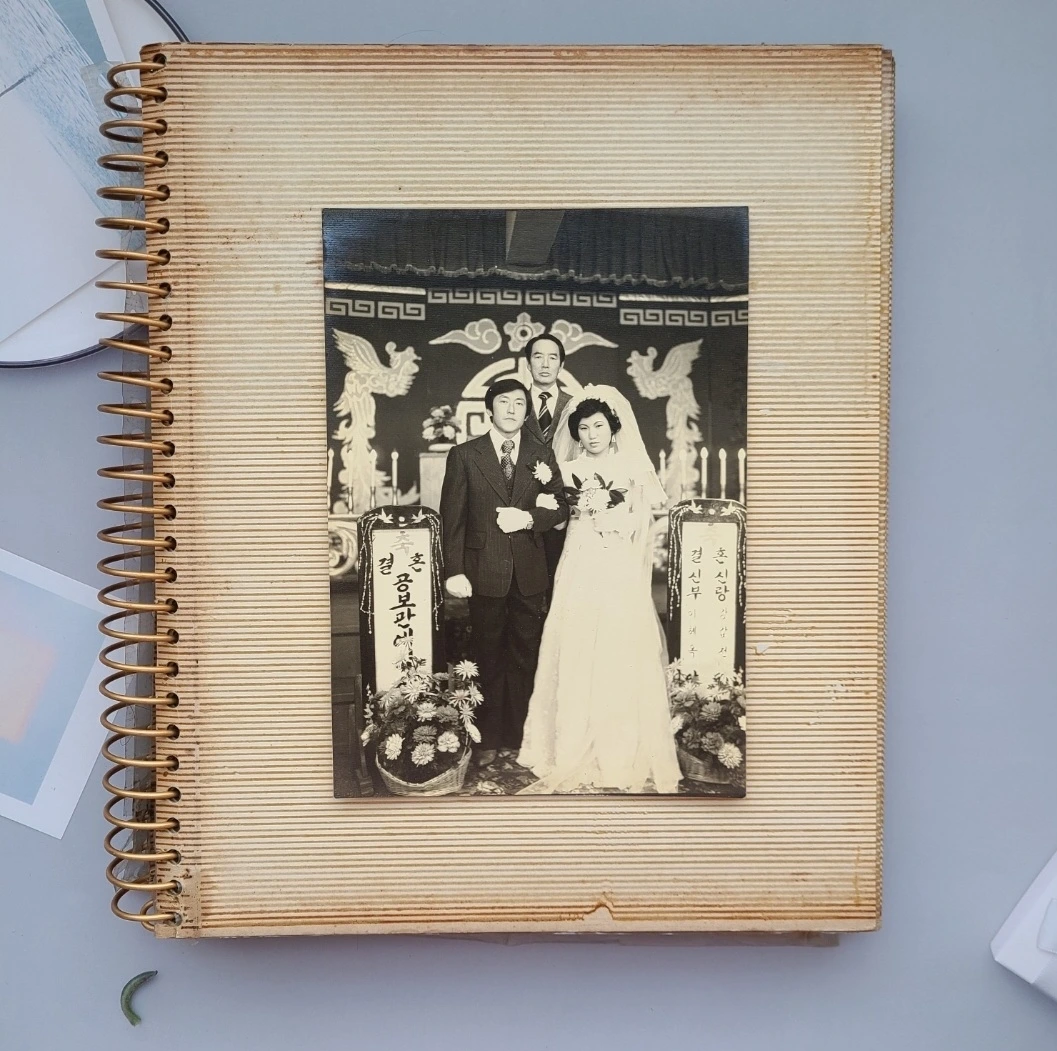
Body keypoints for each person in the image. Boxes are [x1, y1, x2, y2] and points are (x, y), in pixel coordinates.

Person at [517, 384, 682, 794]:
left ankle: (619, 749)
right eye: (584, 428)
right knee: (574, 641)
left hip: (617, 564)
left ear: (612, 428)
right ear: (575, 433)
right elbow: (558, 518)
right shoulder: (566, 469)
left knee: (617, 644)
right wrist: (561, 509)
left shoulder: (631, 466)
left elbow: (643, 522)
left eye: (598, 426)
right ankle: (568, 745)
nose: (591, 435)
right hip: (578, 562)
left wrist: (614, 520)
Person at [439, 377, 568, 767]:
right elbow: (452, 519)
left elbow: (561, 507)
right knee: (488, 654)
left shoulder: (541, 454)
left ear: (527, 411)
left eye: (519, 403)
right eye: (504, 402)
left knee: (526, 655)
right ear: (489, 408)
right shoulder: (465, 455)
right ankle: (488, 739)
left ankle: (518, 737)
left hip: (530, 571)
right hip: (483, 570)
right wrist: (454, 570)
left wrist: (529, 519)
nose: (512, 409)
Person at [522, 334, 574, 588]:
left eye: (552, 358)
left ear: (561, 365)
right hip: (521, 504)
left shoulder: (575, 405)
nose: (545, 364)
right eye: (538, 356)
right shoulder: (514, 402)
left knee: (561, 582)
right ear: (528, 363)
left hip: (566, 507)